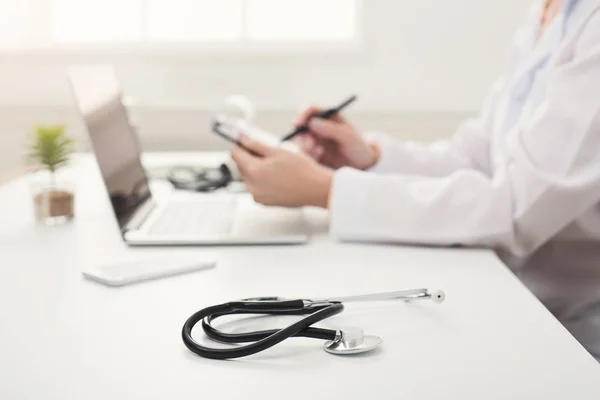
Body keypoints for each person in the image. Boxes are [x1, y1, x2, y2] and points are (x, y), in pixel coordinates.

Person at [231, 0, 600, 361]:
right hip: (508, 294)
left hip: (569, 330)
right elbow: (477, 158)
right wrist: (369, 159)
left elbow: (516, 208)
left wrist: (328, 190)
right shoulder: (547, 13)